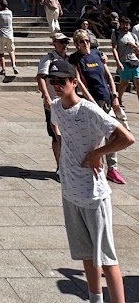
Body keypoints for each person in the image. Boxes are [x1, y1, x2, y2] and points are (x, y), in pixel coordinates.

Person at [46, 57, 134, 303]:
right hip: (70, 191)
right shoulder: (55, 107)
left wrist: (97, 153)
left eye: (61, 81)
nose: (56, 85)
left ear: (74, 82)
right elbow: (60, 134)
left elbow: (126, 138)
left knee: (106, 257)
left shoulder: (90, 110)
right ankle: (95, 299)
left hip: (94, 194)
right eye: (53, 81)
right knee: (85, 253)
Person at [70, 30, 127, 185]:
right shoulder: (75, 59)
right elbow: (79, 84)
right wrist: (92, 103)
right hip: (92, 102)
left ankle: (112, 168)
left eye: (87, 40)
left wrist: (115, 96)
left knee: (114, 134)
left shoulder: (97, 54)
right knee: (97, 136)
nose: (86, 44)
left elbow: (108, 75)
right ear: (76, 44)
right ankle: (97, 165)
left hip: (107, 99)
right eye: (82, 41)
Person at [36, 34, 73, 168]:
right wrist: (46, 97)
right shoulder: (48, 58)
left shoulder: (69, 59)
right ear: (54, 43)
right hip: (54, 101)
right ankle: (60, 166)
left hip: (69, 103)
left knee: (69, 134)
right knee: (56, 135)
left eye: (66, 42)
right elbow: (40, 77)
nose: (65, 45)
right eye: (62, 42)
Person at [111, 17, 139, 109]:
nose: (125, 26)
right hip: (124, 61)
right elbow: (114, 48)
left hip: (134, 61)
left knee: (137, 82)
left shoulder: (133, 36)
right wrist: (118, 61)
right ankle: (119, 98)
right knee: (125, 82)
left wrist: (134, 46)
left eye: (127, 24)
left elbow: (138, 50)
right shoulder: (116, 34)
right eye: (123, 24)